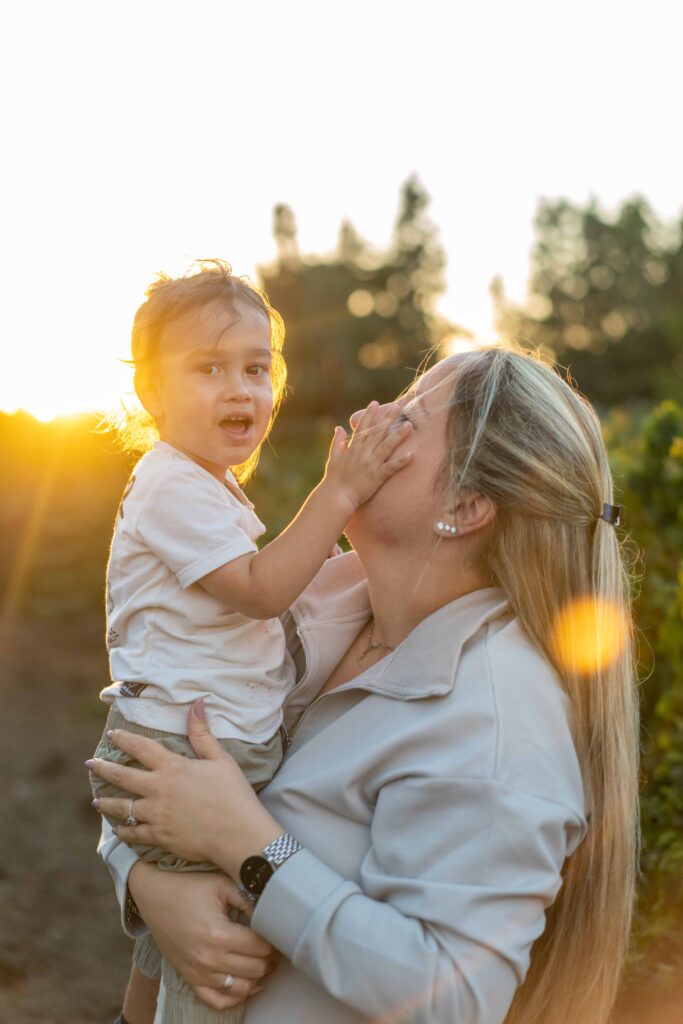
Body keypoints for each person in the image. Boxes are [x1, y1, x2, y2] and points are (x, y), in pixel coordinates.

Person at [88, 346, 639, 1024]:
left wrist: (250, 851)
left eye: (407, 416)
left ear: (464, 505)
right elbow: (150, 749)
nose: (366, 415)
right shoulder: (312, 602)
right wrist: (148, 885)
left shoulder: (498, 723)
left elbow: (454, 1000)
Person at [88, 260, 412, 1024]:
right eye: (207, 368)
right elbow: (264, 590)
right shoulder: (168, 484)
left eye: (256, 368)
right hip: (184, 752)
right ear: (151, 392)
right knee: (218, 968)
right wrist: (338, 492)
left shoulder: (206, 484)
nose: (239, 388)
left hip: (200, 744)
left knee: (169, 948)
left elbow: (277, 603)